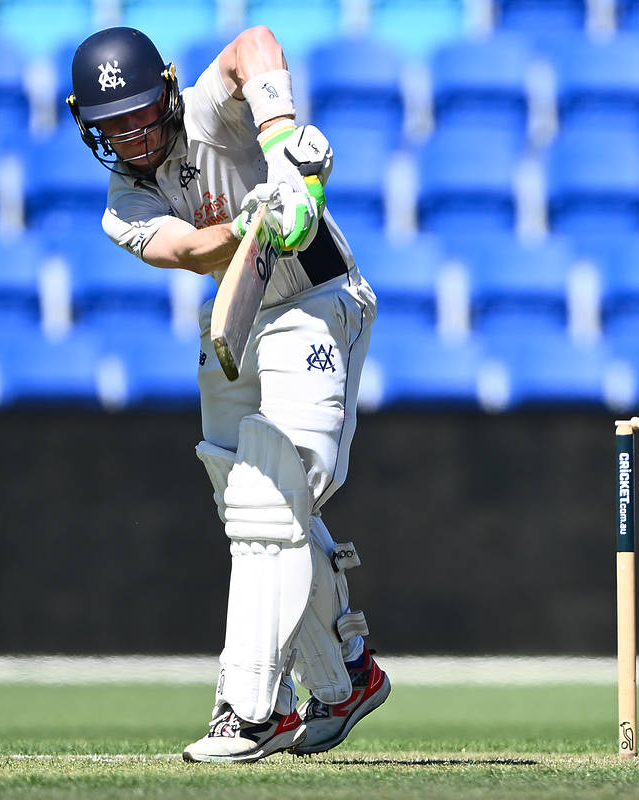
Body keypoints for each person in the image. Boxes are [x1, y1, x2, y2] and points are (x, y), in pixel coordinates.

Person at [66, 25, 388, 763]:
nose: (132, 135)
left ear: (169, 95)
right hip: (238, 319)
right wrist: (253, 219)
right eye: (111, 126)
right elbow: (187, 249)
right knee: (246, 502)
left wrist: (280, 154)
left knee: (275, 493)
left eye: (142, 114)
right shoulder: (123, 203)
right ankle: (344, 681)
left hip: (315, 297)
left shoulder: (209, 112)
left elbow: (256, 43)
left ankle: (251, 712)